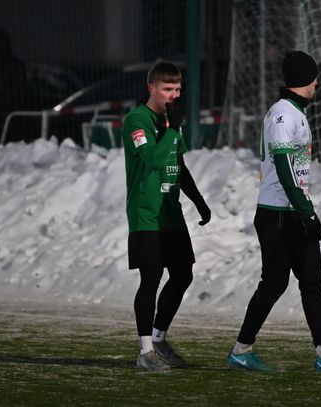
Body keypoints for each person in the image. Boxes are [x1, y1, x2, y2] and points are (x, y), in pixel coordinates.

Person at [227, 51, 321, 373]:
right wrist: (306, 212)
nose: (318, 83)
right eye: (315, 77)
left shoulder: (294, 112)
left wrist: (304, 209)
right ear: (306, 79)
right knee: (274, 282)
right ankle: (241, 350)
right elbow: (285, 170)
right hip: (277, 213)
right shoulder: (284, 114)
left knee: (312, 282)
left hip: (292, 210)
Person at [122, 61, 211, 370]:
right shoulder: (137, 120)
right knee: (151, 278)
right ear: (152, 88)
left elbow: (177, 164)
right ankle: (145, 352)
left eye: (178, 89)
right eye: (167, 89)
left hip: (171, 213)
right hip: (146, 213)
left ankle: (159, 338)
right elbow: (154, 160)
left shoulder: (171, 121)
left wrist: (199, 201)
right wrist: (172, 129)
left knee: (183, 274)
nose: (174, 95)